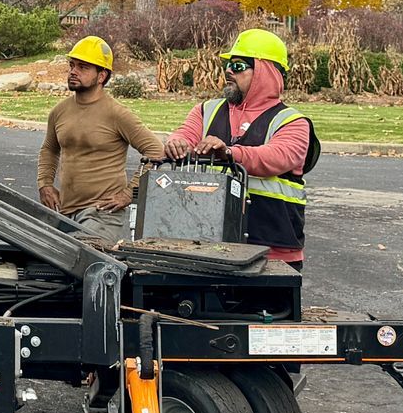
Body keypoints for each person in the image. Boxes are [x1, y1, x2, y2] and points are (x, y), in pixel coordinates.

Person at [163, 28, 319, 270]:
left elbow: (277, 157)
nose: (228, 71)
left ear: (265, 72)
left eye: (238, 66)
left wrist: (230, 153)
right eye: (227, 65)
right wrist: (177, 142)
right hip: (209, 245)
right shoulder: (206, 110)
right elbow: (185, 133)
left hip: (273, 252)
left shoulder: (293, 122)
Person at [37, 36, 164, 241]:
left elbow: (156, 151)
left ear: (101, 76)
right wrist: (45, 184)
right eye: (72, 65)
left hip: (102, 213)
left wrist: (128, 194)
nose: (73, 71)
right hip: (65, 212)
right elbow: (49, 149)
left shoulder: (116, 114)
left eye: (83, 67)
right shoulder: (59, 112)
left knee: (86, 264)